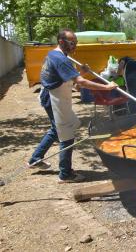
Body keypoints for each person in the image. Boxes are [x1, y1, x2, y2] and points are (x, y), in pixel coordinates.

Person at [28, 29, 117, 183]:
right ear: (61, 41)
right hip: (53, 99)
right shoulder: (60, 59)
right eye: (71, 43)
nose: (74, 45)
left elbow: (71, 81)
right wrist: (107, 87)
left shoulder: (56, 55)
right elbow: (80, 83)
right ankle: (65, 174)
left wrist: (80, 72)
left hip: (52, 96)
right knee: (67, 133)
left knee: (57, 130)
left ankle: (35, 158)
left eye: (75, 42)